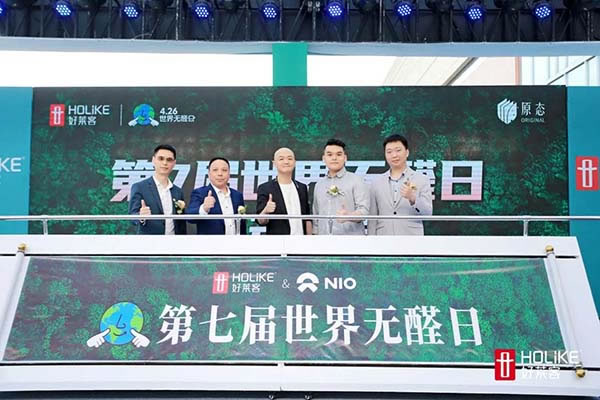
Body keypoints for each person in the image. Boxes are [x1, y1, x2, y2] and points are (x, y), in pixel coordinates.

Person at [368, 134, 433, 235]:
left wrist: (413, 198)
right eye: (389, 152)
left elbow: (428, 213)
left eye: (398, 150)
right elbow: (372, 216)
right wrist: (371, 240)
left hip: (411, 237)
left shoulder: (421, 179)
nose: (394, 155)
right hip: (384, 238)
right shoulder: (376, 182)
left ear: (407, 152)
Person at [312, 139, 370, 235]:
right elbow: (316, 216)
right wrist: (315, 235)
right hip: (323, 240)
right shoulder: (319, 185)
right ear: (323, 158)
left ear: (345, 158)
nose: (334, 158)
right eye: (330, 155)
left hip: (351, 239)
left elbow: (364, 211)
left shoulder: (356, 180)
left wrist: (348, 216)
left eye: (339, 154)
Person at [128, 144, 187, 235]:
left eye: (169, 160)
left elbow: (181, 222)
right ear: (153, 160)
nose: (165, 163)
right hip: (150, 241)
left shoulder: (177, 191)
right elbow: (132, 216)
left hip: (174, 242)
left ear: (174, 163)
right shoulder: (139, 187)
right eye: (161, 159)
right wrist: (141, 216)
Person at [256, 147, 312, 235]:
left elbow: (307, 218)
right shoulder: (265, 188)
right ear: (274, 163)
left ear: (295, 162)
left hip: (301, 240)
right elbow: (261, 221)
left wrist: (310, 239)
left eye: (290, 158)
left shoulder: (302, 188)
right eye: (281, 159)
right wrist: (266, 210)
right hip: (278, 241)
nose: (286, 162)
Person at [186, 157, 246, 235]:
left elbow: (242, 224)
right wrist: (204, 208)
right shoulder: (200, 193)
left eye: (224, 170)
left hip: (235, 241)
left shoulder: (237, 195)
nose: (220, 174)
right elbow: (190, 217)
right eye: (215, 170)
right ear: (209, 174)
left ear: (229, 174)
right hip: (211, 242)